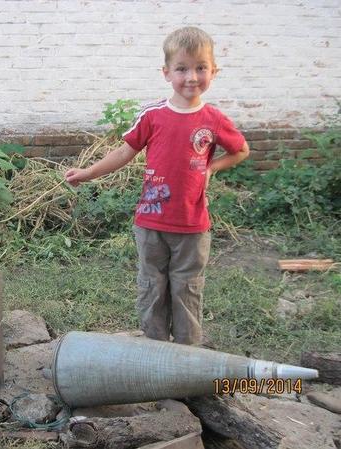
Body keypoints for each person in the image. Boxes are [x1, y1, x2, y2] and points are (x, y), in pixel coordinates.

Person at [64, 26, 250, 345]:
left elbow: (241, 150)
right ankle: (154, 351)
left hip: (192, 226)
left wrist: (210, 169)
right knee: (152, 286)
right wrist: (89, 172)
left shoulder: (214, 119)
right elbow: (124, 151)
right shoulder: (152, 116)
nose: (192, 77)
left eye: (201, 68)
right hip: (151, 224)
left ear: (214, 71)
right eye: (182, 68)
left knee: (186, 288)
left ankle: (186, 357)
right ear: (166, 73)